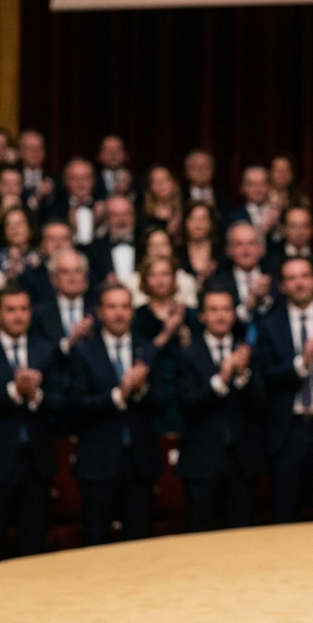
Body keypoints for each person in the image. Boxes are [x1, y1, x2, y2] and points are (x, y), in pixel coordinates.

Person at [71, 282, 163, 545]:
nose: (119, 313)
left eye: (125, 306)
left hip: (140, 462)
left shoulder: (147, 350)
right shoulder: (83, 353)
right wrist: (118, 396)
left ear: (133, 312)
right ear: (99, 312)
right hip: (98, 464)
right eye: (112, 307)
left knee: (139, 541)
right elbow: (75, 407)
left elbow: (162, 404)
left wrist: (142, 389)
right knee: (96, 541)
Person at [257, 257, 313, 524]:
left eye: (305, 276)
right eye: (292, 278)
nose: (300, 283)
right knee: (285, 513)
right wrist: (304, 361)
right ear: (282, 286)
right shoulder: (269, 324)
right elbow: (266, 377)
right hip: (287, 431)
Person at [0, 284, 65, 562]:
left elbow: (63, 402)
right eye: (11, 310)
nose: (18, 316)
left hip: (37, 464)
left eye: (24, 309)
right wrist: (12, 392)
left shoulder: (45, 350)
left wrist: (36, 394)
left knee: (33, 548)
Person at [176, 288, 265, 532]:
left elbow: (260, 404)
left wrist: (242, 375)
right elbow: (186, 406)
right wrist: (221, 380)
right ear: (202, 316)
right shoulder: (187, 354)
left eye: (226, 309)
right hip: (201, 463)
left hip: (242, 461)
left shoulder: (248, 352)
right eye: (213, 310)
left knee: (240, 535)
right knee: (199, 534)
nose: (220, 316)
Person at [131, 252, 199, 434]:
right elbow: (138, 356)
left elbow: (201, 356)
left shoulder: (190, 314)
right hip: (152, 394)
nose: (160, 280)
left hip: (186, 392)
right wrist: (166, 333)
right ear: (144, 280)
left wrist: (184, 336)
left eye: (165, 274)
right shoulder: (137, 317)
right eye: (153, 275)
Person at [205, 222, 276, 330]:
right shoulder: (216, 281)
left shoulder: (275, 276)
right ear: (229, 250)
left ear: (262, 248)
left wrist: (264, 300)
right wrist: (248, 305)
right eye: (239, 244)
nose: (246, 250)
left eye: (251, 243)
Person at [30, 247, 96, 354]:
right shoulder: (39, 313)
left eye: (77, 271)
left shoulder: (97, 310)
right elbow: (38, 351)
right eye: (65, 272)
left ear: (85, 278)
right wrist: (68, 343)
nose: (72, 277)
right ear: (53, 278)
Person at [125, 228, 198, 310]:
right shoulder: (130, 283)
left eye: (164, 244)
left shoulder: (187, 281)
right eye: (153, 245)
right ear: (145, 249)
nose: (159, 250)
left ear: (172, 248)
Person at [83, 195, 137, 287]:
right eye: (115, 215)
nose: (121, 220)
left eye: (126, 214)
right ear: (106, 219)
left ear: (134, 217)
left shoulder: (145, 243)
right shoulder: (94, 249)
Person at [263, 205, 313, 282]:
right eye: (293, 226)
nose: (299, 232)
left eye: (304, 226)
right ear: (284, 229)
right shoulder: (271, 259)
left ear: (312, 229)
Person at [19, 220, 74, 306]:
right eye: (52, 239)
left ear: (72, 243)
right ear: (42, 245)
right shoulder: (29, 278)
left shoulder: (86, 276)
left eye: (64, 239)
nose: (58, 244)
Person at [49, 158, 103, 245]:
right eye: (74, 178)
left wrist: (100, 223)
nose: (80, 183)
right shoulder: (54, 209)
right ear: (65, 181)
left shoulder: (104, 208)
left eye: (85, 177)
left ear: (94, 180)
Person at [0, 207, 41, 286]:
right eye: (9, 225)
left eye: (19, 223)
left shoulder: (40, 259)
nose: (14, 228)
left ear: (30, 228)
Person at [227, 165, 282, 240]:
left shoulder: (281, 213)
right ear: (242, 188)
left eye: (262, 183)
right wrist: (262, 231)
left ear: (269, 186)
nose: (257, 189)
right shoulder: (233, 218)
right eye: (251, 184)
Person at [176, 200, 223, 285]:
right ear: (185, 223)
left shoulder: (221, 252)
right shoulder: (177, 253)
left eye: (203, 218)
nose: (198, 223)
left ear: (211, 223)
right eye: (193, 218)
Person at [182, 149, 230, 220]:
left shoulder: (224, 199)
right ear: (186, 172)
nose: (201, 170)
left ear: (213, 171)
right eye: (195, 167)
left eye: (206, 166)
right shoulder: (179, 197)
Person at [18, 129, 55, 219]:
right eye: (29, 148)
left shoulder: (54, 181)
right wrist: (38, 196)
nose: (34, 152)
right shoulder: (13, 178)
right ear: (20, 152)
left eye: (38, 148)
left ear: (44, 152)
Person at [140, 165, 183, 241]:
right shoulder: (142, 214)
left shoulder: (185, 210)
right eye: (155, 181)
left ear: (174, 182)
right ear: (149, 186)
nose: (161, 184)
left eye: (165, 179)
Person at [93, 135, 138, 204]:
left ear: (126, 155)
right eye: (107, 149)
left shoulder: (137, 182)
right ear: (99, 155)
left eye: (117, 149)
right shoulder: (93, 181)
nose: (113, 153)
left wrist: (128, 191)